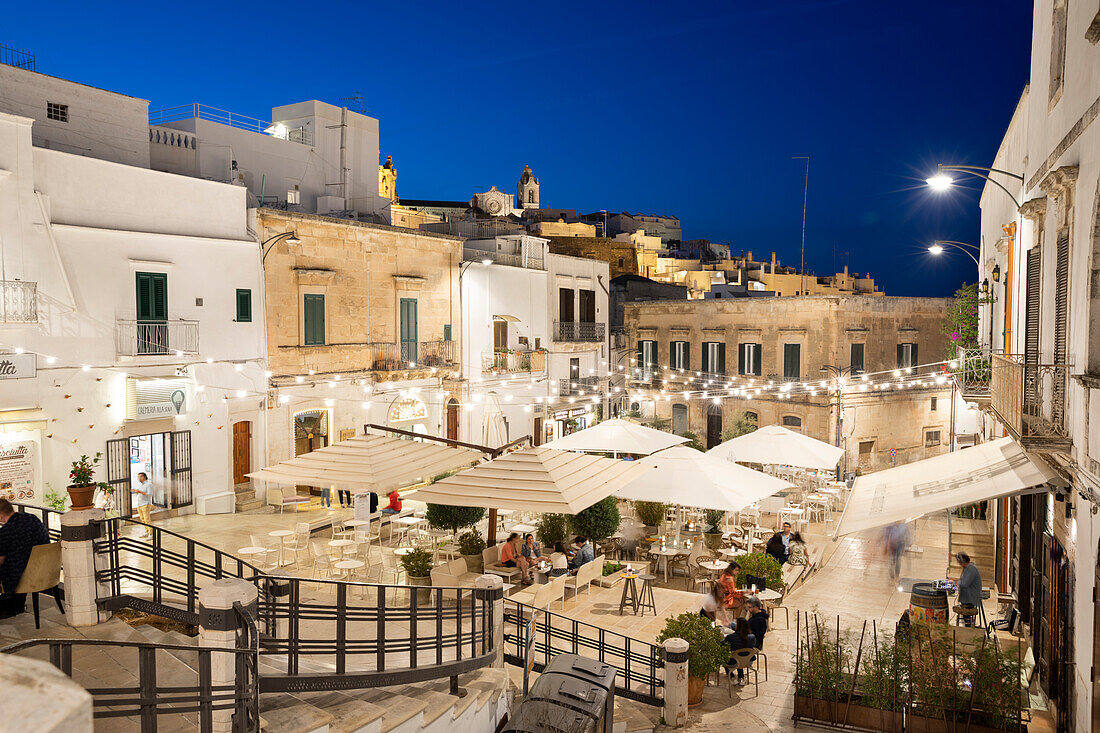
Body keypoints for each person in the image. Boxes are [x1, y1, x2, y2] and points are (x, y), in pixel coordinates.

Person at [0, 499, 50, 618]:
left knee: (8, 567)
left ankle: (8, 605)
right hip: (44, 569)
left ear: (1, 515)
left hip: (21, 575)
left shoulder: (5, 532)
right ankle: (17, 605)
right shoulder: (32, 518)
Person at [728, 617, 758, 685]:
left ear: (736, 626)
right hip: (748, 662)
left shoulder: (730, 637)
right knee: (740, 655)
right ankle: (741, 677)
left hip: (734, 663)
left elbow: (722, 645)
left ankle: (731, 676)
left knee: (727, 657)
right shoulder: (752, 637)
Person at [956, 552, 982, 626]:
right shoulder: (968, 569)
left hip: (970, 598)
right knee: (965, 618)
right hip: (967, 597)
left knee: (966, 617)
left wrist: (956, 583)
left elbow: (965, 584)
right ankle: (967, 625)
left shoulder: (971, 569)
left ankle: (968, 627)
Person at [131, 473, 153, 538]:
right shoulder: (140, 485)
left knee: (147, 519)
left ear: (145, 477)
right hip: (139, 504)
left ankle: (151, 534)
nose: (139, 478)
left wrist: (139, 492)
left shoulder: (149, 484)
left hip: (146, 504)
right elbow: (139, 492)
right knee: (142, 519)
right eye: (138, 477)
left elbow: (149, 494)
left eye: (140, 477)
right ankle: (146, 531)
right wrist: (135, 491)